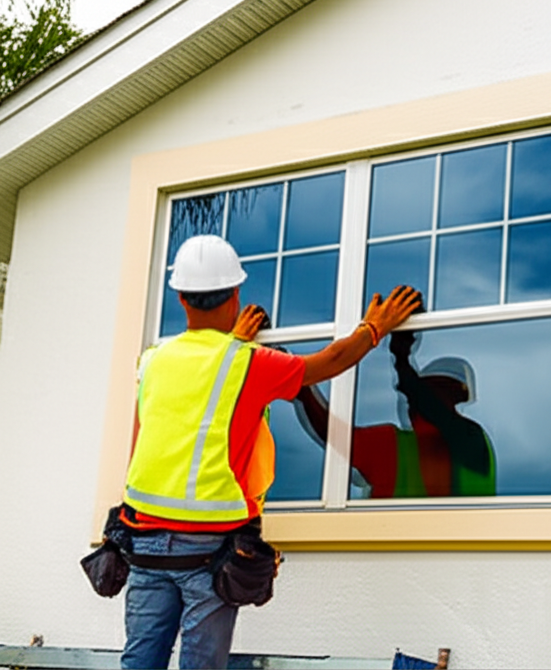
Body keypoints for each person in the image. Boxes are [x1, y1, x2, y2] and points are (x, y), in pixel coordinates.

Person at [119, 234, 421, 670]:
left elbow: (191, 398)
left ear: (181, 298)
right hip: (207, 551)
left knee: (140, 661)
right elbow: (331, 361)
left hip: (144, 541)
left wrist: (234, 340)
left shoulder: (152, 360)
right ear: (235, 296)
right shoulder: (249, 363)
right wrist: (373, 327)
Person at [292, 330, 496, 498]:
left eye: (424, 390)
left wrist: (402, 359)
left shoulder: (471, 439)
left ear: (453, 395)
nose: (409, 399)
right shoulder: (392, 445)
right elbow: (334, 434)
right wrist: (301, 385)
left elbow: (434, 411)